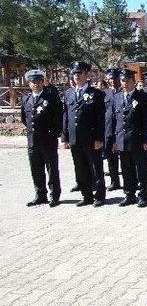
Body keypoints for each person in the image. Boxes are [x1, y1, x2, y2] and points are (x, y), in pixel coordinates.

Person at [62, 61, 107, 207]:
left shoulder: (96, 94)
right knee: (80, 168)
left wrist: (100, 138)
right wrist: (65, 136)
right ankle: (86, 195)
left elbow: (101, 118)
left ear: (87, 75)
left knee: (95, 167)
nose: (76, 76)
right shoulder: (68, 94)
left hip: (91, 138)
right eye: (74, 73)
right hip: (75, 138)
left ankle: (99, 195)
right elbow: (66, 116)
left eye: (79, 73)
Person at [21, 69, 63, 207]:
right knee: (36, 169)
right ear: (29, 83)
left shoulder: (50, 97)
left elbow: (58, 115)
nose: (36, 84)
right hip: (33, 140)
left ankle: (54, 195)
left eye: (39, 81)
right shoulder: (26, 98)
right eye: (33, 82)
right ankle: (40, 195)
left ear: (42, 82)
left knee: (51, 169)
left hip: (48, 139)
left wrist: (55, 132)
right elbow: (24, 118)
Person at [112, 69, 147, 207]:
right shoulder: (116, 97)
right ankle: (129, 194)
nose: (125, 83)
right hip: (122, 140)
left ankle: (143, 194)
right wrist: (114, 140)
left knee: (141, 169)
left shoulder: (143, 97)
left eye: (128, 80)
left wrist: (146, 140)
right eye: (123, 80)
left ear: (133, 81)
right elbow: (114, 120)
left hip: (138, 140)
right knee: (126, 169)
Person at [103, 68, 122, 191]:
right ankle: (115, 181)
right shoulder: (106, 93)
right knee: (111, 158)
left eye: (115, 79)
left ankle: (133, 181)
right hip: (108, 131)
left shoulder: (123, 92)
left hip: (121, 131)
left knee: (127, 160)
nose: (112, 81)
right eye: (110, 79)